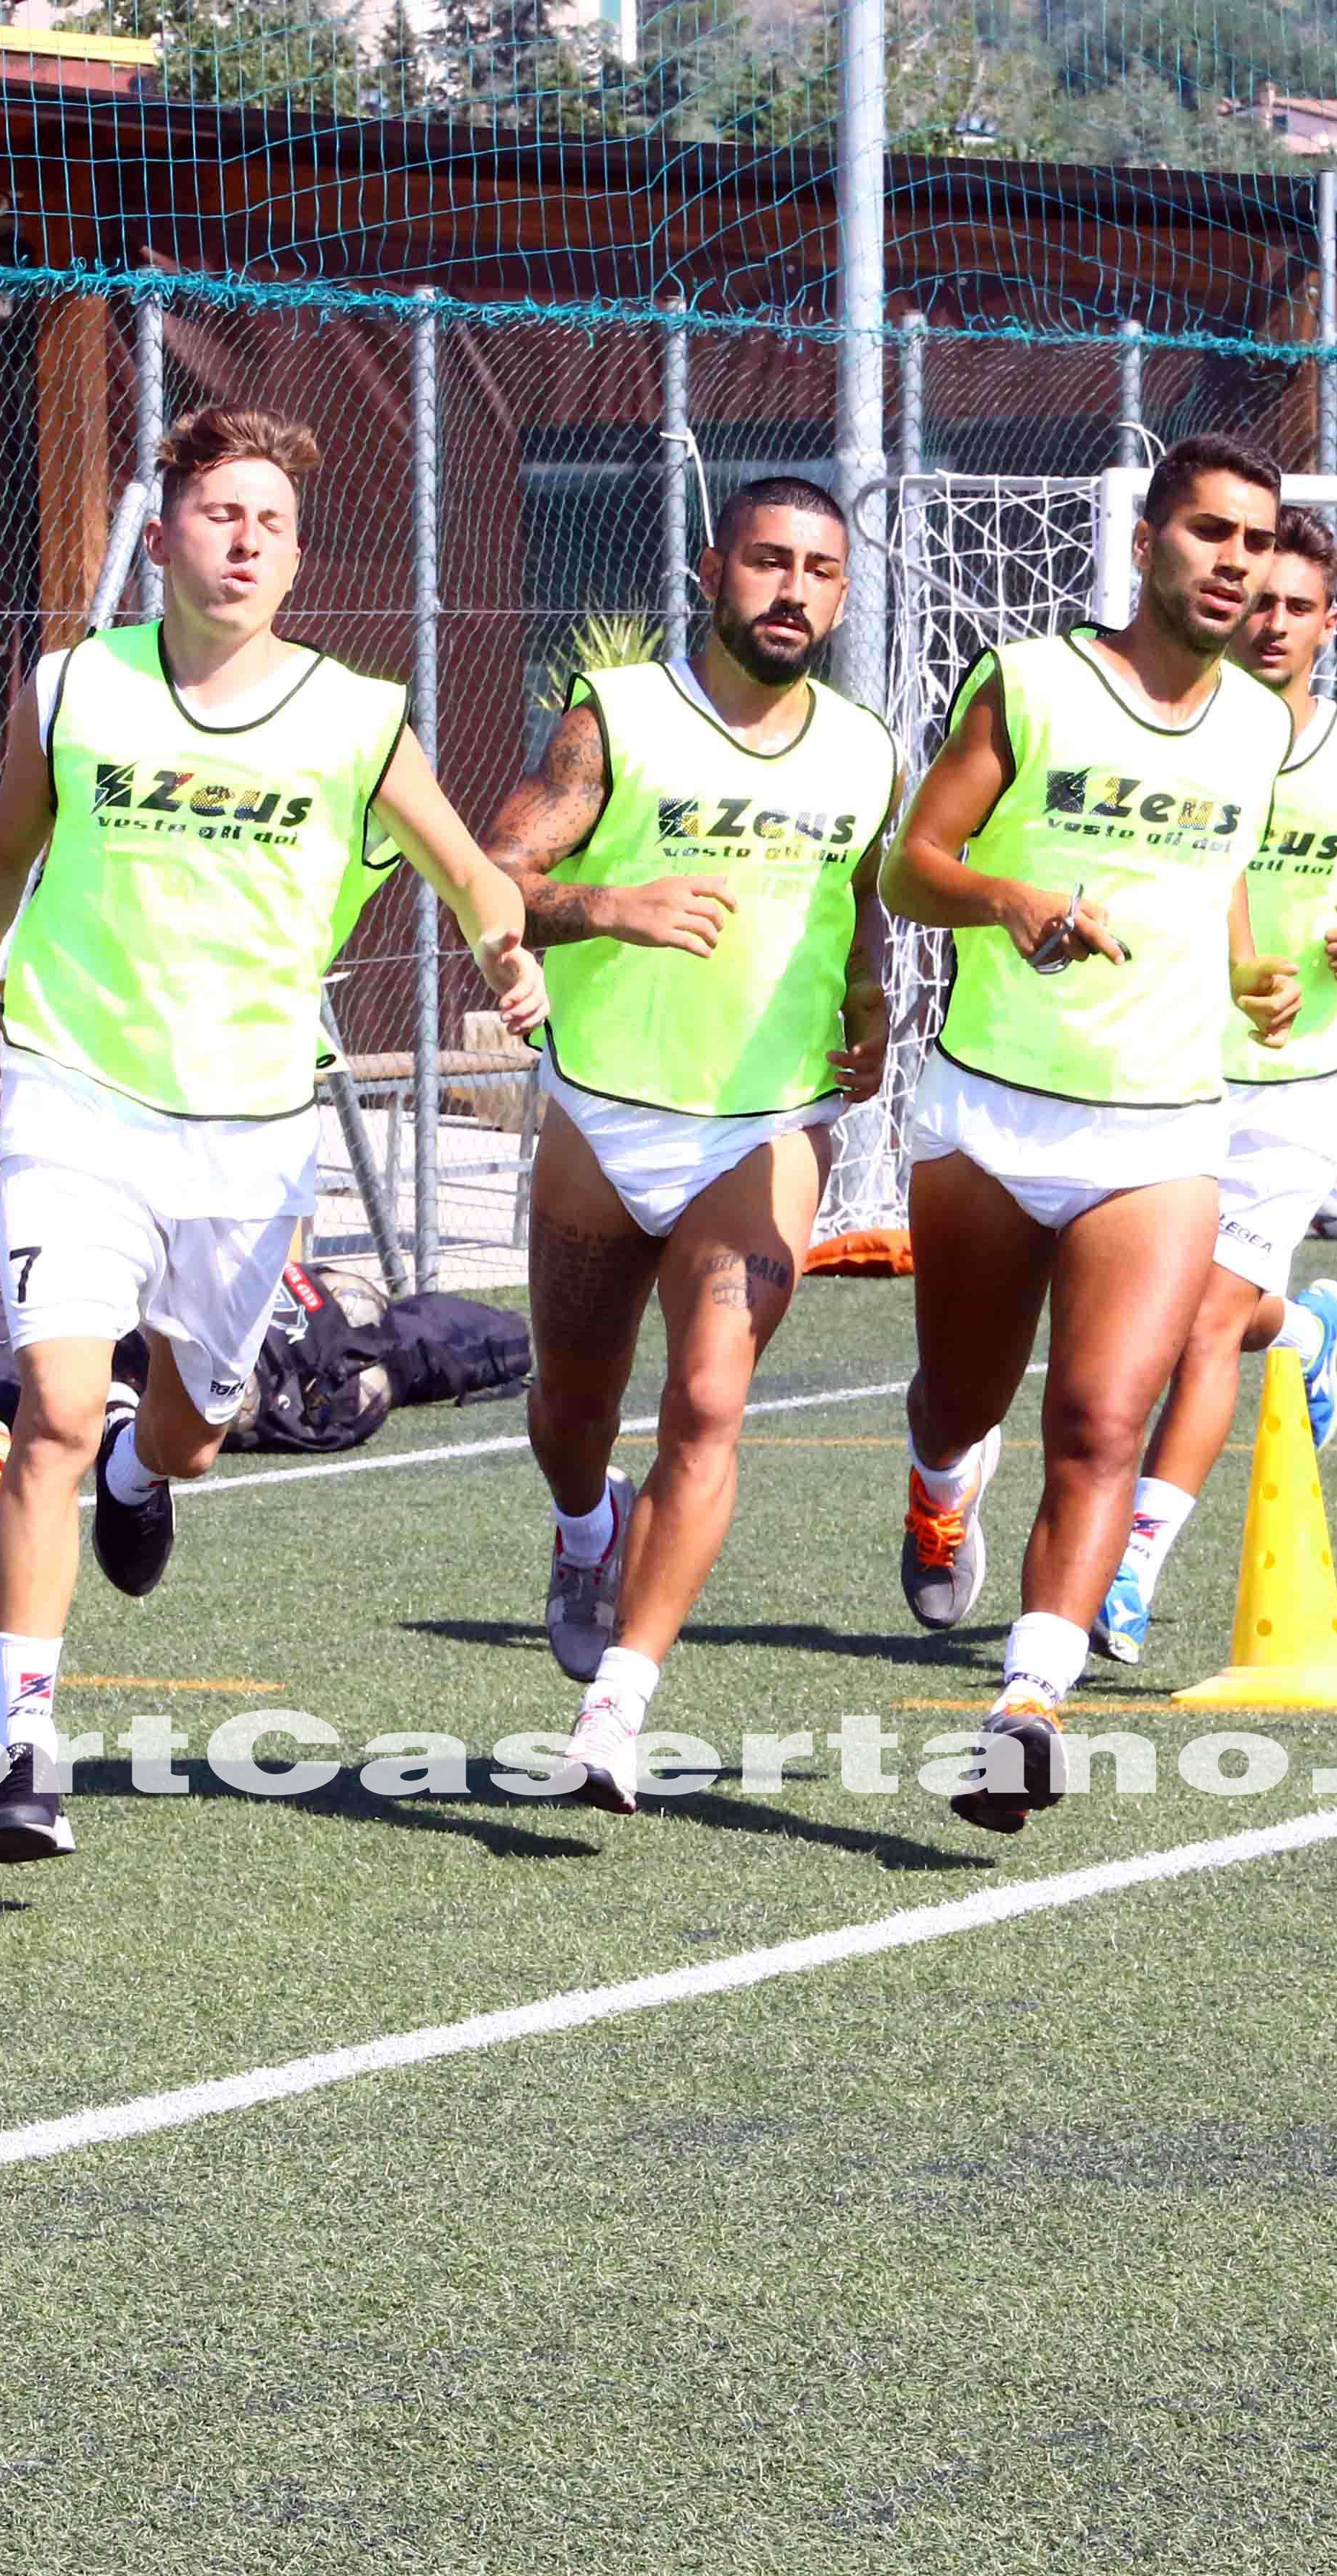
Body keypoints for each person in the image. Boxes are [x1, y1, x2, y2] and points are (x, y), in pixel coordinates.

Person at [0, 404, 547, 1868]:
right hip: (73, 1091)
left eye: (269, 522)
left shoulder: (353, 716)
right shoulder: (73, 690)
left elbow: (471, 873)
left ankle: (143, 1470)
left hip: (249, 1130)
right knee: (50, 1409)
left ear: (296, 554)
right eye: (218, 513)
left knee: (189, 1432)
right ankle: (23, 1753)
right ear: (166, 530)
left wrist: (508, 956)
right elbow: (1, 851)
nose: (242, 541)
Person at [881, 431, 1299, 1836]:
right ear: (1147, 542)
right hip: (992, 1112)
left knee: (1100, 1417)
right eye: (1209, 534)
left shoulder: (1260, 722)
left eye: (1255, 540)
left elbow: (1219, 872)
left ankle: (1025, 1707)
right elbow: (910, 867)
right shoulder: (1035, 682)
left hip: (1165, 1128)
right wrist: (1015, 905)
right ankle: (939, 1487)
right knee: (964, 1398)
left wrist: (1251, 976)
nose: (1234, 563)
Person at [482, 475, 899, 1810]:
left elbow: (863, 905)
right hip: (604, 1110)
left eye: (819, 571)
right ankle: (579, 1526)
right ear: (716, 567)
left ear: (840, 593)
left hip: (767, 1120)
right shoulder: (618, 720)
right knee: (572, 1411)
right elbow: (493, 881)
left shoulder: (864, 749)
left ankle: (618, 1707)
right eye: (769, 561)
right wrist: (608, 903)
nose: (792, 590)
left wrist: (872, 1004)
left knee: (709, 1400)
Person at [1099, 506, 1337, 1663]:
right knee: (1157, 1314)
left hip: (1301, 1069)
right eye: (1259, 600)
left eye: (1296, 605)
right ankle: (1305, 1332)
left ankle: (1133, 1562)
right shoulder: (1183, 736)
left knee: (1200, 1323)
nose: (1271, 622)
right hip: (1170, 1055)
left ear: (1330, 623)